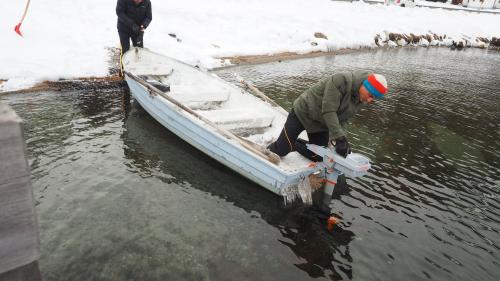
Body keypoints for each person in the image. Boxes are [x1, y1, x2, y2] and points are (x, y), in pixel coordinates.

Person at [267, 71, 388, 161]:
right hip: (303, 113)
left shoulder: (361, 99)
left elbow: (344, 120)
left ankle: (294, 143)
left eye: (374, 98)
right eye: (370, 95)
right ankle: (271, 148)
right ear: (365, 85)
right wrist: (338, 137)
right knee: (281, 151)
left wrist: (342, 140)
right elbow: (328, 110)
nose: (369, 100)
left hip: (321, 124)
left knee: (319, 156)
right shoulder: (340, 80)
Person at [116, 0, 152, 74]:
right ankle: (123, 72)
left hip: (137, 29)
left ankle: (138, 71)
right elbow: (120, 13)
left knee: (139, 49)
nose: (138, 1)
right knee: (125, 49)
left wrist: (143, 25)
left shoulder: (147, 2)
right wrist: (132, 24)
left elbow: (148, 17)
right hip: (123, 28)